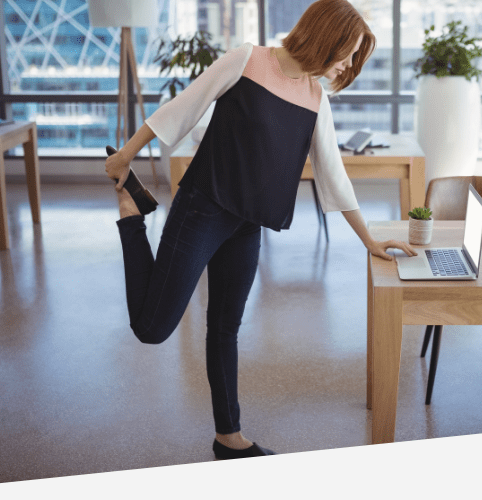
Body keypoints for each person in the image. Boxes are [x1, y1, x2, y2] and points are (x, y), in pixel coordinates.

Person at [105, 0, 417, 460]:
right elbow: (183, 107)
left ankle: (228, 436)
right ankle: (132, 215)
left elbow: (334, 173)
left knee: (225, 328)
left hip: (247, 223)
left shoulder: (315, 97)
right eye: (347, 52)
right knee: (152, 329)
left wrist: (369, 239)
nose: (348, 64)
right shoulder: (247, 59)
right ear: (324, 36)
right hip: (202, 208)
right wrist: (126, 155)